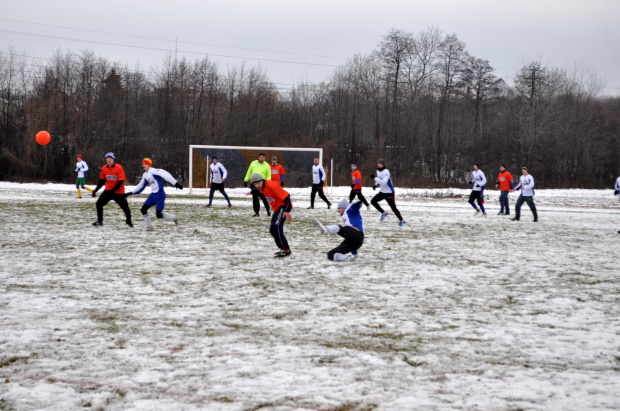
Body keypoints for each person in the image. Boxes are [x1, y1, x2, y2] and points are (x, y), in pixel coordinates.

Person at [125, 158, 183, 231]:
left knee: (158, 215)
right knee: (143, 210)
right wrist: (131, 192)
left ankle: (174, 217)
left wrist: (175, 183)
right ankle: (150, 227)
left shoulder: (154, 171)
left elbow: (166, 175)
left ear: (149, 165)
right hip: (153, 195)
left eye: (145, 164)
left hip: (160, 195)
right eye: (143, 164)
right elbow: (141, 185)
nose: (143, 165)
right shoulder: (145, 175)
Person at [250, 172, 293, 258]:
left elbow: (287, 196)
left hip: (283, 207)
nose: (257, 185)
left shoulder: (271, 186)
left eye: (258, 183)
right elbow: (259, 190)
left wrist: (287, 211)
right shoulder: (262, 187)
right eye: (255, 184)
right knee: (272, 229)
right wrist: (252, 191)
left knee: (275, 227)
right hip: (277, 209)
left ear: (262, 180)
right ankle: (283, 248)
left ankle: (286, 249)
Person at [91, 152, 133, 227]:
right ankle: (100, 221)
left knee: (125, 207)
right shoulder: (104, 168)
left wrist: (113, 190)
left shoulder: (119, 167)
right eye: (107, 158)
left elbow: (120, 182)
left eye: (110, 158)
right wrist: (95, 190)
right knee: (99, 203)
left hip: (118, 192)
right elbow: (102, 181)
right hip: (108, 191)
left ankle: (129, 221)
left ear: (113, 159)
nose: (108, 160)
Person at [370, 159, 406, 226]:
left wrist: (375, 178)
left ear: (383, 164)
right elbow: (379, 180)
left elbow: (384, 182)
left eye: (380, 163)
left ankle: (402, 220)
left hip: (389, 192)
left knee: (393, 208)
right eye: (378, 163)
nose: (378, 164)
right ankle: (384, 213)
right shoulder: (377, 171)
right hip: (382, 192)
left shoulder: (386, 171)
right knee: (373, 201)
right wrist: (376, 185)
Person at [243, 153, 271, 217]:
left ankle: (268, 210)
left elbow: (269, 175)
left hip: (262, 184)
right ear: (258, 157)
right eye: (261, 157)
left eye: (263, 157)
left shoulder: (267, 165)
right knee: (255, 198)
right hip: (254, 183)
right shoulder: (253, 163)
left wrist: (267, 183)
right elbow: (249, 172)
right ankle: (256, 212)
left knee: (264, 198)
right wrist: (246, 180)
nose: (262, 158)